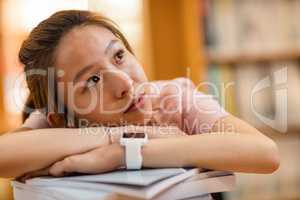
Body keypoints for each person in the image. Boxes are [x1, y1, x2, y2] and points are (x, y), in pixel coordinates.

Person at [0, 10, 279, 180]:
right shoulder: (56, 122)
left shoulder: (172, 98)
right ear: (63, 119)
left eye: (119, 56)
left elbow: (265, 153)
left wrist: (123, 153)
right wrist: (117, 135)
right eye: (93, 80)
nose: (124, 82)